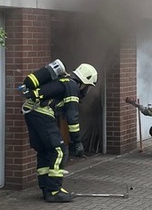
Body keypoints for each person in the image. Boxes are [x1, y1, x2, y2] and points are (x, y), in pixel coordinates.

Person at [22, 62, 98, 202]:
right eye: (88, 87)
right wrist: (77, 142)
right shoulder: (72, 86)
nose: (86, 91)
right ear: (85, 81)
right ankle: (54, 191)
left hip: (31, 112)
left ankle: (46, 187)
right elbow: (72, 117)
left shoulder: (64, 81)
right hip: (41, 114)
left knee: (45, 150)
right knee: (59, 150)